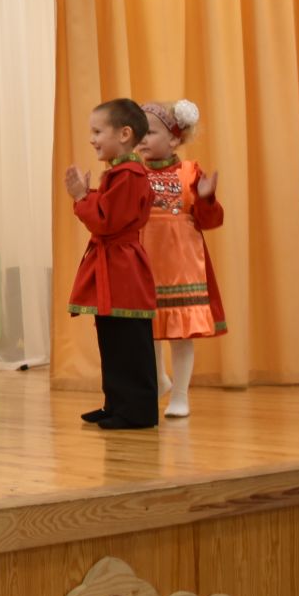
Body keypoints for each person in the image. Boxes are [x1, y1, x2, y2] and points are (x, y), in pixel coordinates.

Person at [63, 98, 159, 431]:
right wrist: (87, 195)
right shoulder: (119, 173)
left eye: (97, 131)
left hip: (124, 269)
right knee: (113, 339)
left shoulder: (129, 175)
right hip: (115, 265)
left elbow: (106, 220)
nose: (92, 138)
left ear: (124, 134)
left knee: (129, 341)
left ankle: (138, 410)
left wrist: (80, 197)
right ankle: (116, 403)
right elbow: (107, 211)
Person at [136, 99, 225, 419]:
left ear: (174, 139)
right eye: (139, 133)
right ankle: (160, 379)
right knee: (148, 328)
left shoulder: (190, 173)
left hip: (183, 266)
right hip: (145, 264)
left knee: (181, 333)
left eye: (151, 132)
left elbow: (210, 221)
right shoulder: (131, 173)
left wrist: (205, 199)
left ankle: (181, 395)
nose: (143, 139)